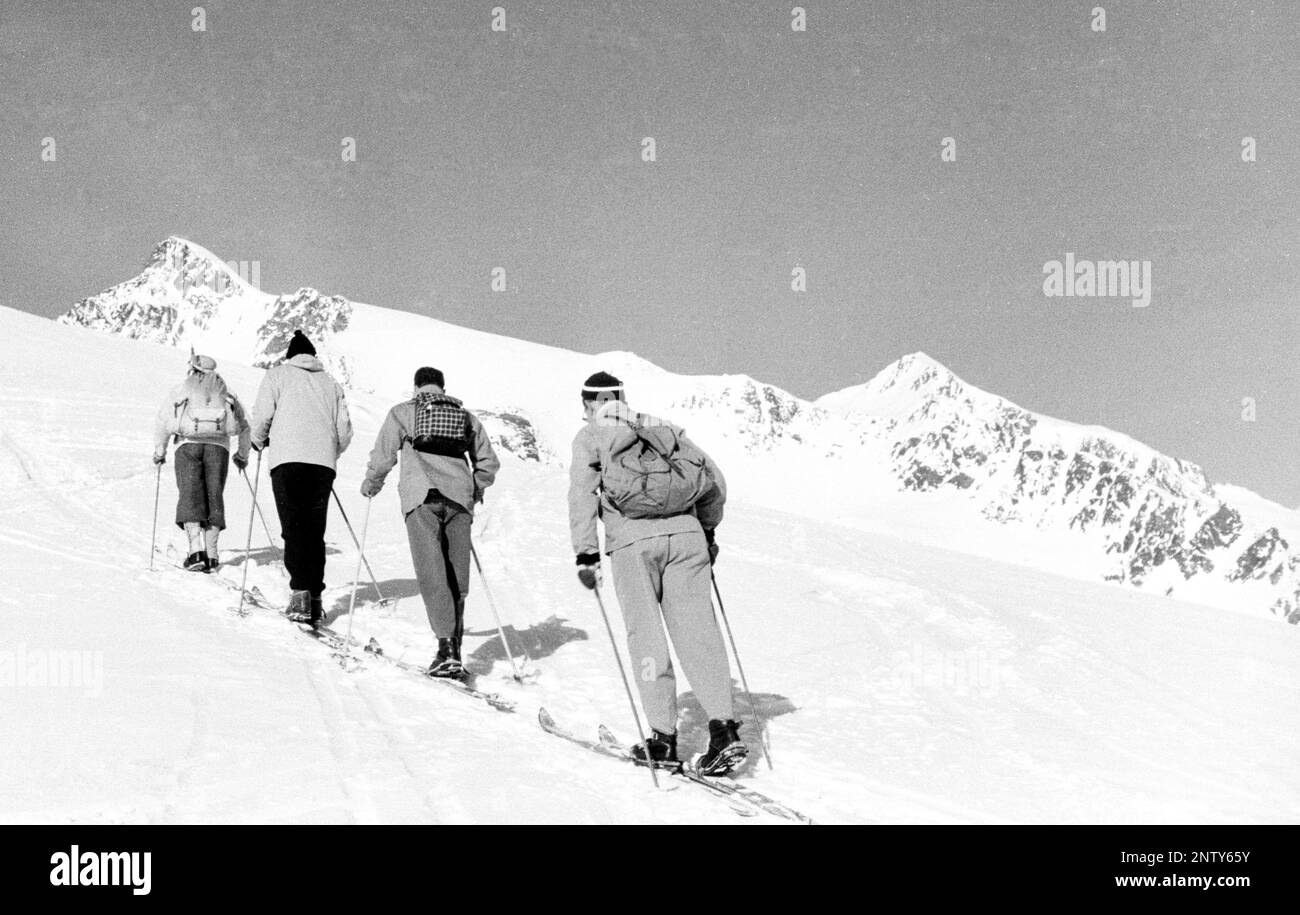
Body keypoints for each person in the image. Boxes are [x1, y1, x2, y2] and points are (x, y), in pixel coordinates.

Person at [567, 371, 746, 775]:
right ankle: (723, 730)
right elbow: (713, 479)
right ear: (623, 398)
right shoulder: (662, 428)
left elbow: (581, 491)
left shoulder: (592, 435)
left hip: (632, 544)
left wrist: (586, 553)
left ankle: (663, 740)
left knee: (646, 637)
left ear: (590, 404)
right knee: (700, 632)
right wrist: (706, 529)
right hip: (687, 536)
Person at [361, 367, 500, 678]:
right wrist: (475, 488)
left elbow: (384, 455)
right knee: (456, 576)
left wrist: (372, 483)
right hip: (459, 501)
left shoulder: (403, 412)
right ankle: (455, 651)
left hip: (421, 497)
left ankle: (446, 649)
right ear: (443, 388)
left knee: (432, 573)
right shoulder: (464, 416)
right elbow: (488, 461)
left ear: (416, 386)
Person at [249, 330, 353, 624]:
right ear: (313, 356)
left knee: (294, 527)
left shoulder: (278, 375)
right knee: (314, 530)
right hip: (322, 466)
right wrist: (329, 452)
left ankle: (300, 596)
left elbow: (262, 416)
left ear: (290, 355)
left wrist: (258, 440)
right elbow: (344, 430)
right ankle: (315, 597)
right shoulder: (331, 383)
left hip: (287, 460)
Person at [153, 353, 252, 572]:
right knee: (214, 495)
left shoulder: (181, 390)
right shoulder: (226, 392)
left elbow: (163, 420)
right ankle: (213, 555)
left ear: (193, 369)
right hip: (219, 448)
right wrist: (242, 456)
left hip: (187, 445)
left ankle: (195, 551)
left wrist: (160, 451)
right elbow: (244, 425)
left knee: (190, 494)